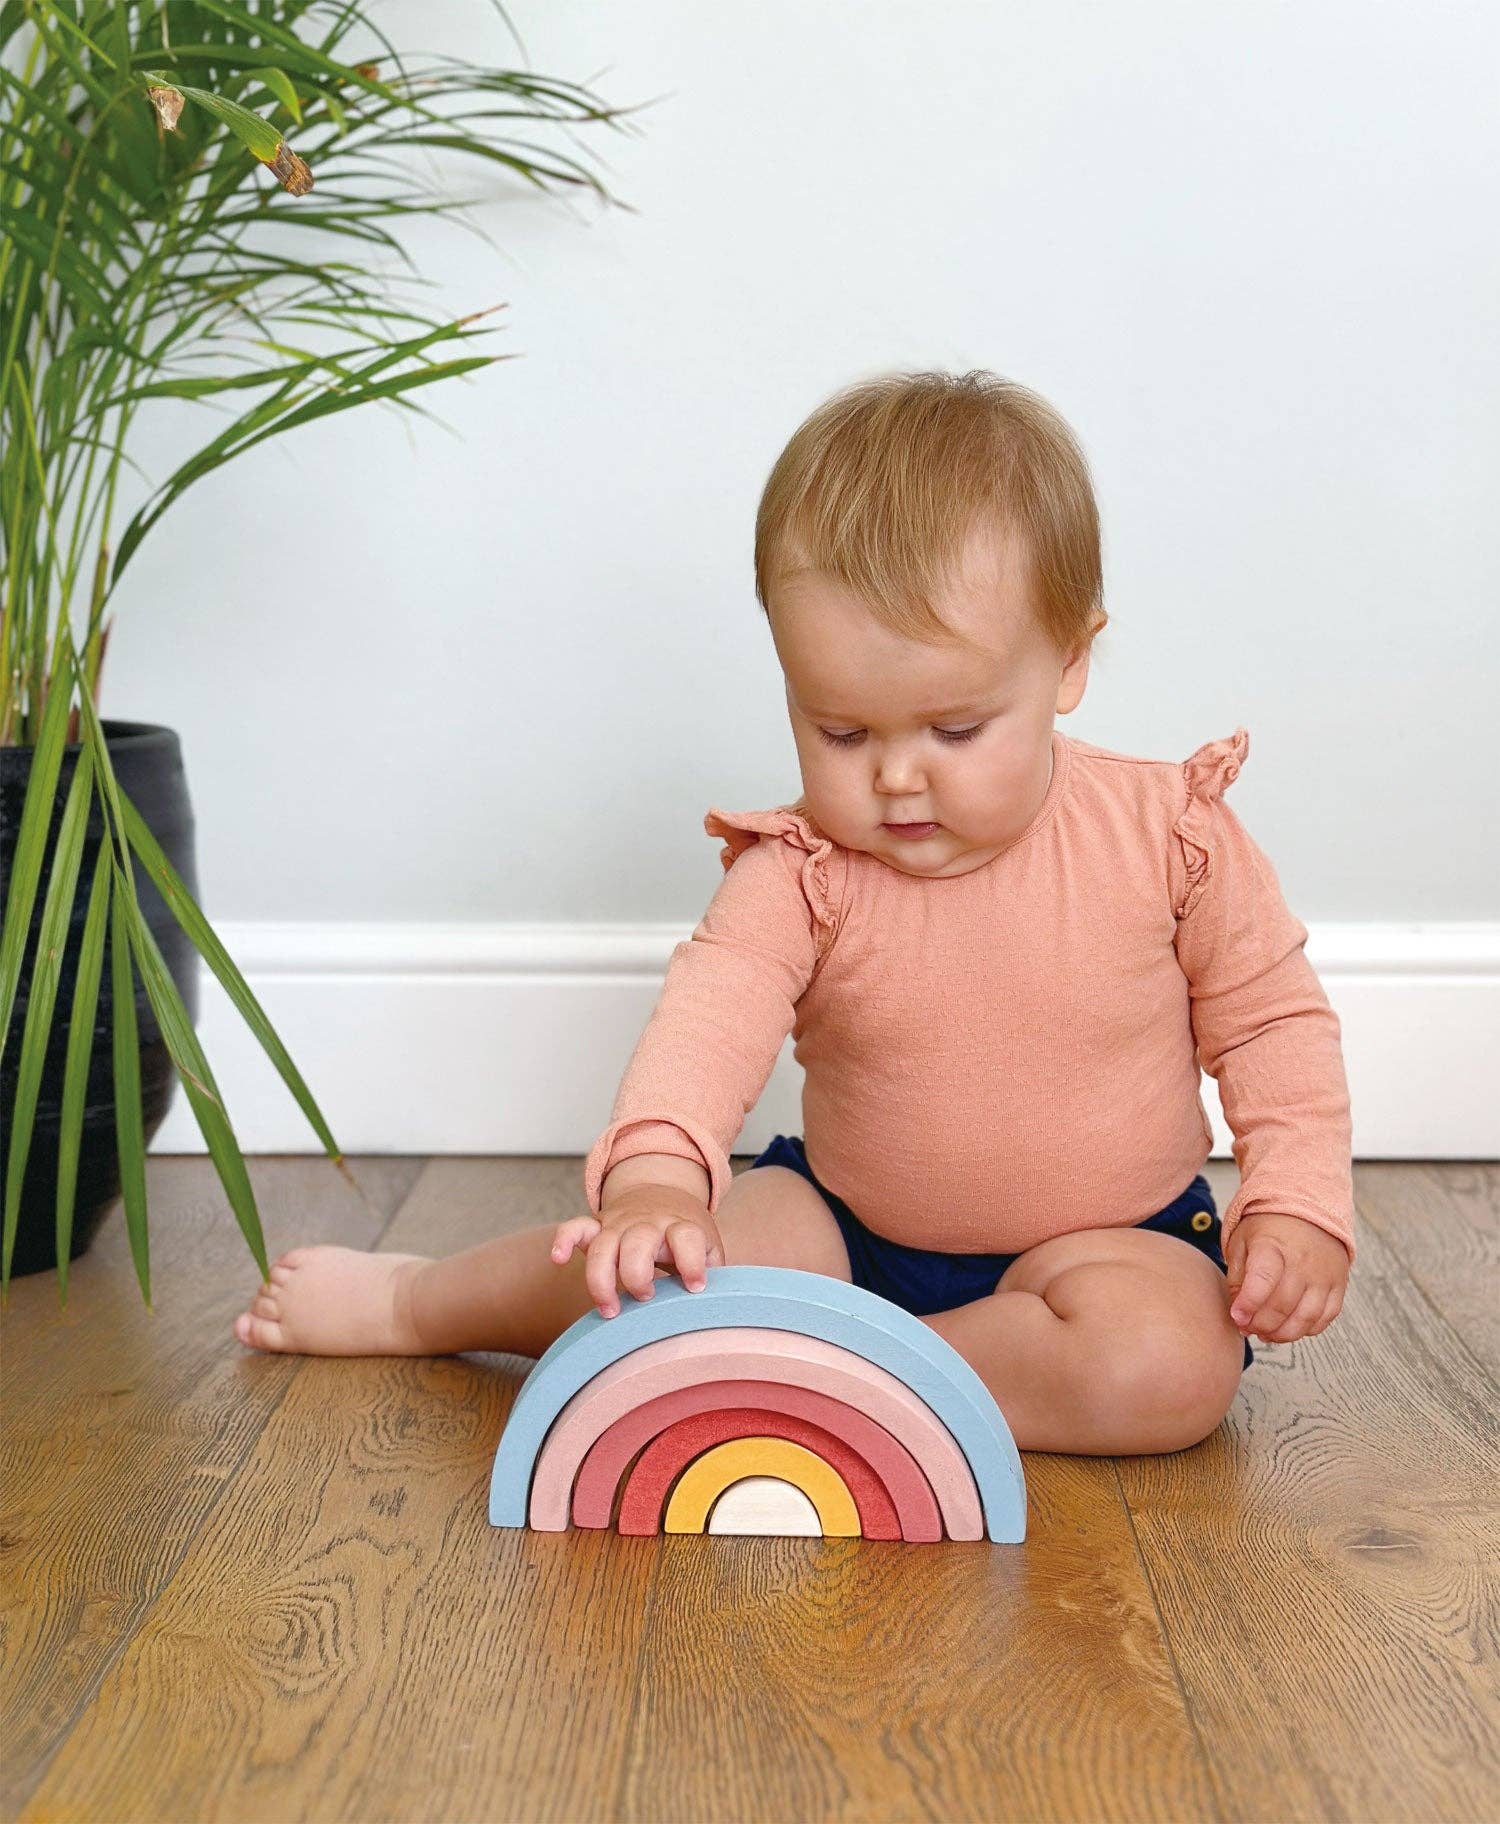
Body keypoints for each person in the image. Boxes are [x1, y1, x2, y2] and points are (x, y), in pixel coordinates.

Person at [234, 370, 1354, 1456]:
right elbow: (707, 1027)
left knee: (1169, 1364)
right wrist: (658, 1183)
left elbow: (1272, 1028)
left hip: (1113, 1243)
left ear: (1069, 660)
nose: (898, 778)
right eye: (842, 732)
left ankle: (832, 1372)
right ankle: (425, 1305)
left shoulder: (1171, 837)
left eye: (954, 730)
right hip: (847, 1232)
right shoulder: (804, 871)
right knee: (650, 1269)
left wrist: (1295, 1204)